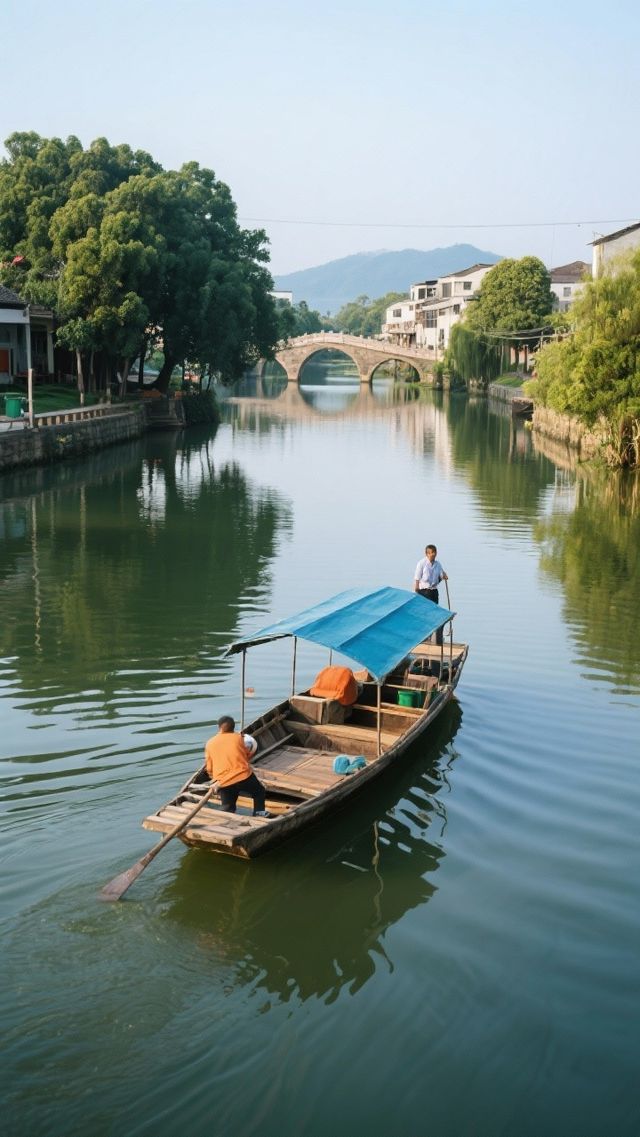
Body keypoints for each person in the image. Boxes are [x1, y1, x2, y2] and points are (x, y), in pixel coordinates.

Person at [204, 715, 271, 817]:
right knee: (259, 791)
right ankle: (258, 812)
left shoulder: (209, 743)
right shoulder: (240, 737)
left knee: (228, 806)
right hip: (243, 776)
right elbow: (248, 753)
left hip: (223, 781)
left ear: (219, 727)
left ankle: (226, 817)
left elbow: (209, 767)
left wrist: (215, 779)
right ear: (233, 727)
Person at [413, 543, 449, 646]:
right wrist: (416, 591)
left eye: (434, 552)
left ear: (436, 553)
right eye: (430, 553)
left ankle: (431, 637)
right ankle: (422, 637)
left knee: (433, 613)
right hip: (423, 591)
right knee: (423, 614)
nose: (432, 554)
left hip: (433, 591)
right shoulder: (421, 563)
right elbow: (417, 578)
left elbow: (441, 575)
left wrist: (444, 576)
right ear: (426, 554)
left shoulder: (438, 564)